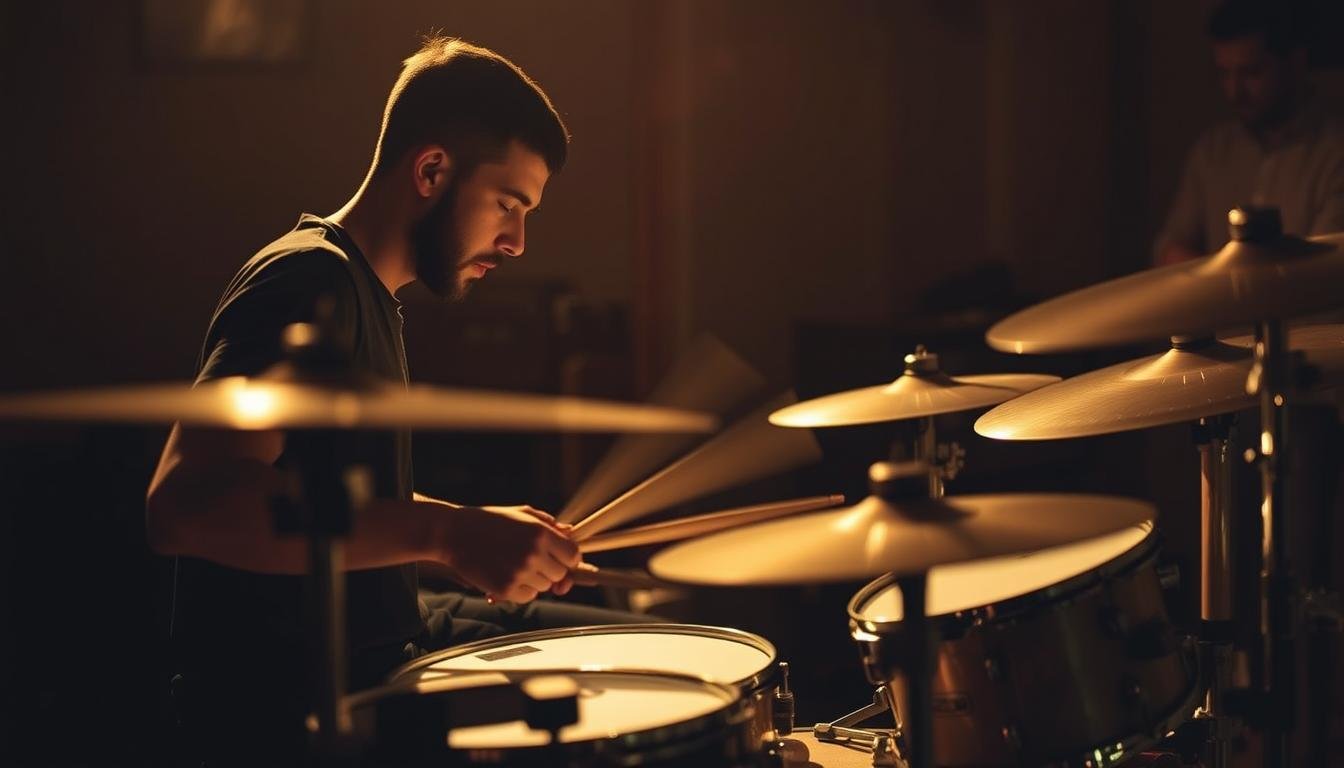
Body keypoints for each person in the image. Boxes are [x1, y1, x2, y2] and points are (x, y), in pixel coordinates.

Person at [145, 37, 644, 762]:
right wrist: (446, 533)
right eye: (508, 205)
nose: (517, 243)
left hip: (379, 641)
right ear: (433, 170)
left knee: (614, 632)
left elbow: (322, 503)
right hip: (292, 706)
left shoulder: (368, 294)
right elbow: (185, 506)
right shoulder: (307, 280)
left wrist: (479, 539)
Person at [1155, 0, 1344, 265]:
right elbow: (1172, 246)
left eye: (1251, 73)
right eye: (1224, 74)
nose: (1235, 92)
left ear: (1295, 63)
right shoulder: (1213, 151)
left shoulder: (1334, 152)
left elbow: (1325, 269)